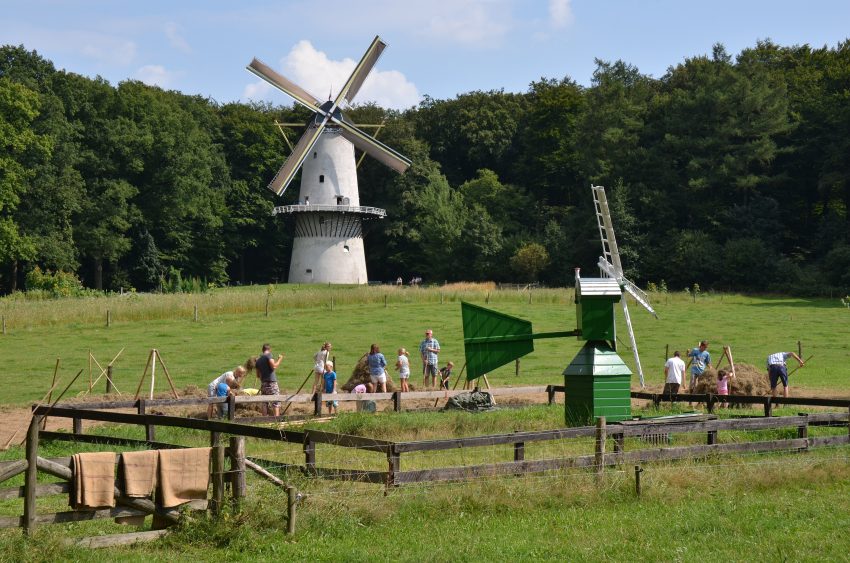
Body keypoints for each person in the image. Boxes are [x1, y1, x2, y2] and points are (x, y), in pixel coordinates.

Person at [256, 343, 284, 416]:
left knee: (264, 402)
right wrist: (280, 359)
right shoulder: (269, 355)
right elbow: (274, 366)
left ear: (262, 350)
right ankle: (276, 421)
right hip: (271, 382)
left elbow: (258, 375)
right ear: (269, 349)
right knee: (276, 401)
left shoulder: (258, 360)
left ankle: (264, 420)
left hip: (263, 383)